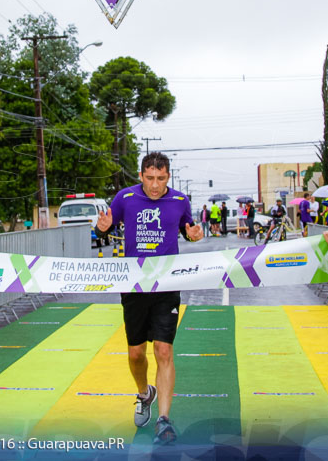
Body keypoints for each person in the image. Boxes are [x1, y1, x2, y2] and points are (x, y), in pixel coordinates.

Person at [95, 152, 203, 445]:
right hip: (134, 286)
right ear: (141, 176)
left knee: (164, 351)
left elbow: (188, 230)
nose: (155, 186)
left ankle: (164, 420)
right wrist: (101, 227)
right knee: (135, 354)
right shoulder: (125, 197)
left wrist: (194, 234)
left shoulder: (180, 202)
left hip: (167, 286)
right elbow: (105, 225)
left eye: (162, 179)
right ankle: (145, 394)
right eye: (150, 178)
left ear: (169, 177)